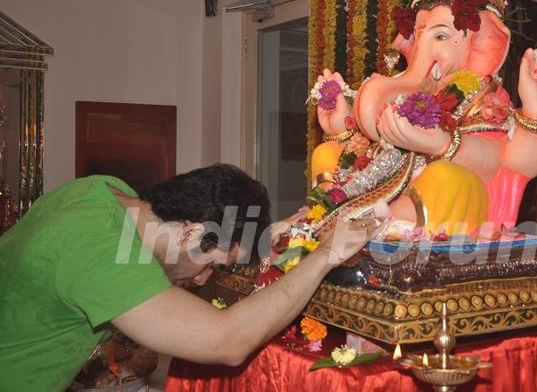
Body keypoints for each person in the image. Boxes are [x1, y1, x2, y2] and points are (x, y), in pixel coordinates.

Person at [0, 164, 384, 391]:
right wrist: (324, 256)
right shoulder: (104, 251)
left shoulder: (106, 193)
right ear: (190, 232)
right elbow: (226, 341)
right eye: (212, 265)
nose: (202, 280)